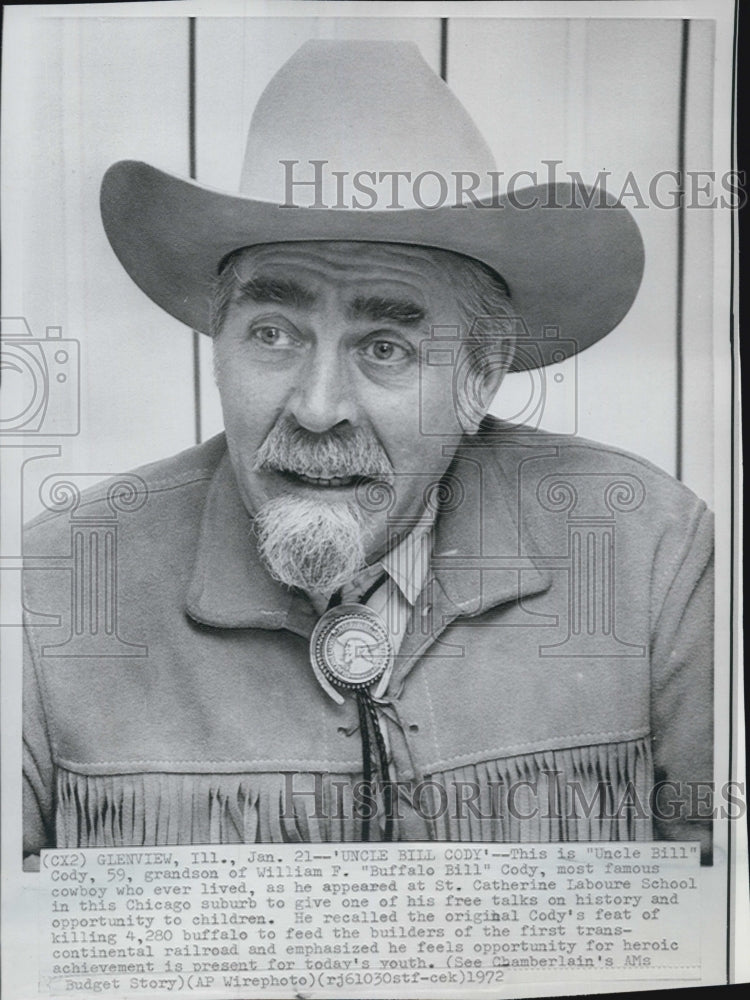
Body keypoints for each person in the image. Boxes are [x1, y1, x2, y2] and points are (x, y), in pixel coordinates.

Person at [22, 40, 713, 861]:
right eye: (272, 333)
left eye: (385, 346)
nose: (317, 409)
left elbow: (727, 920)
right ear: (217, 344)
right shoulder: (56, 588)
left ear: (480, 375)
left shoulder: (647, 554)